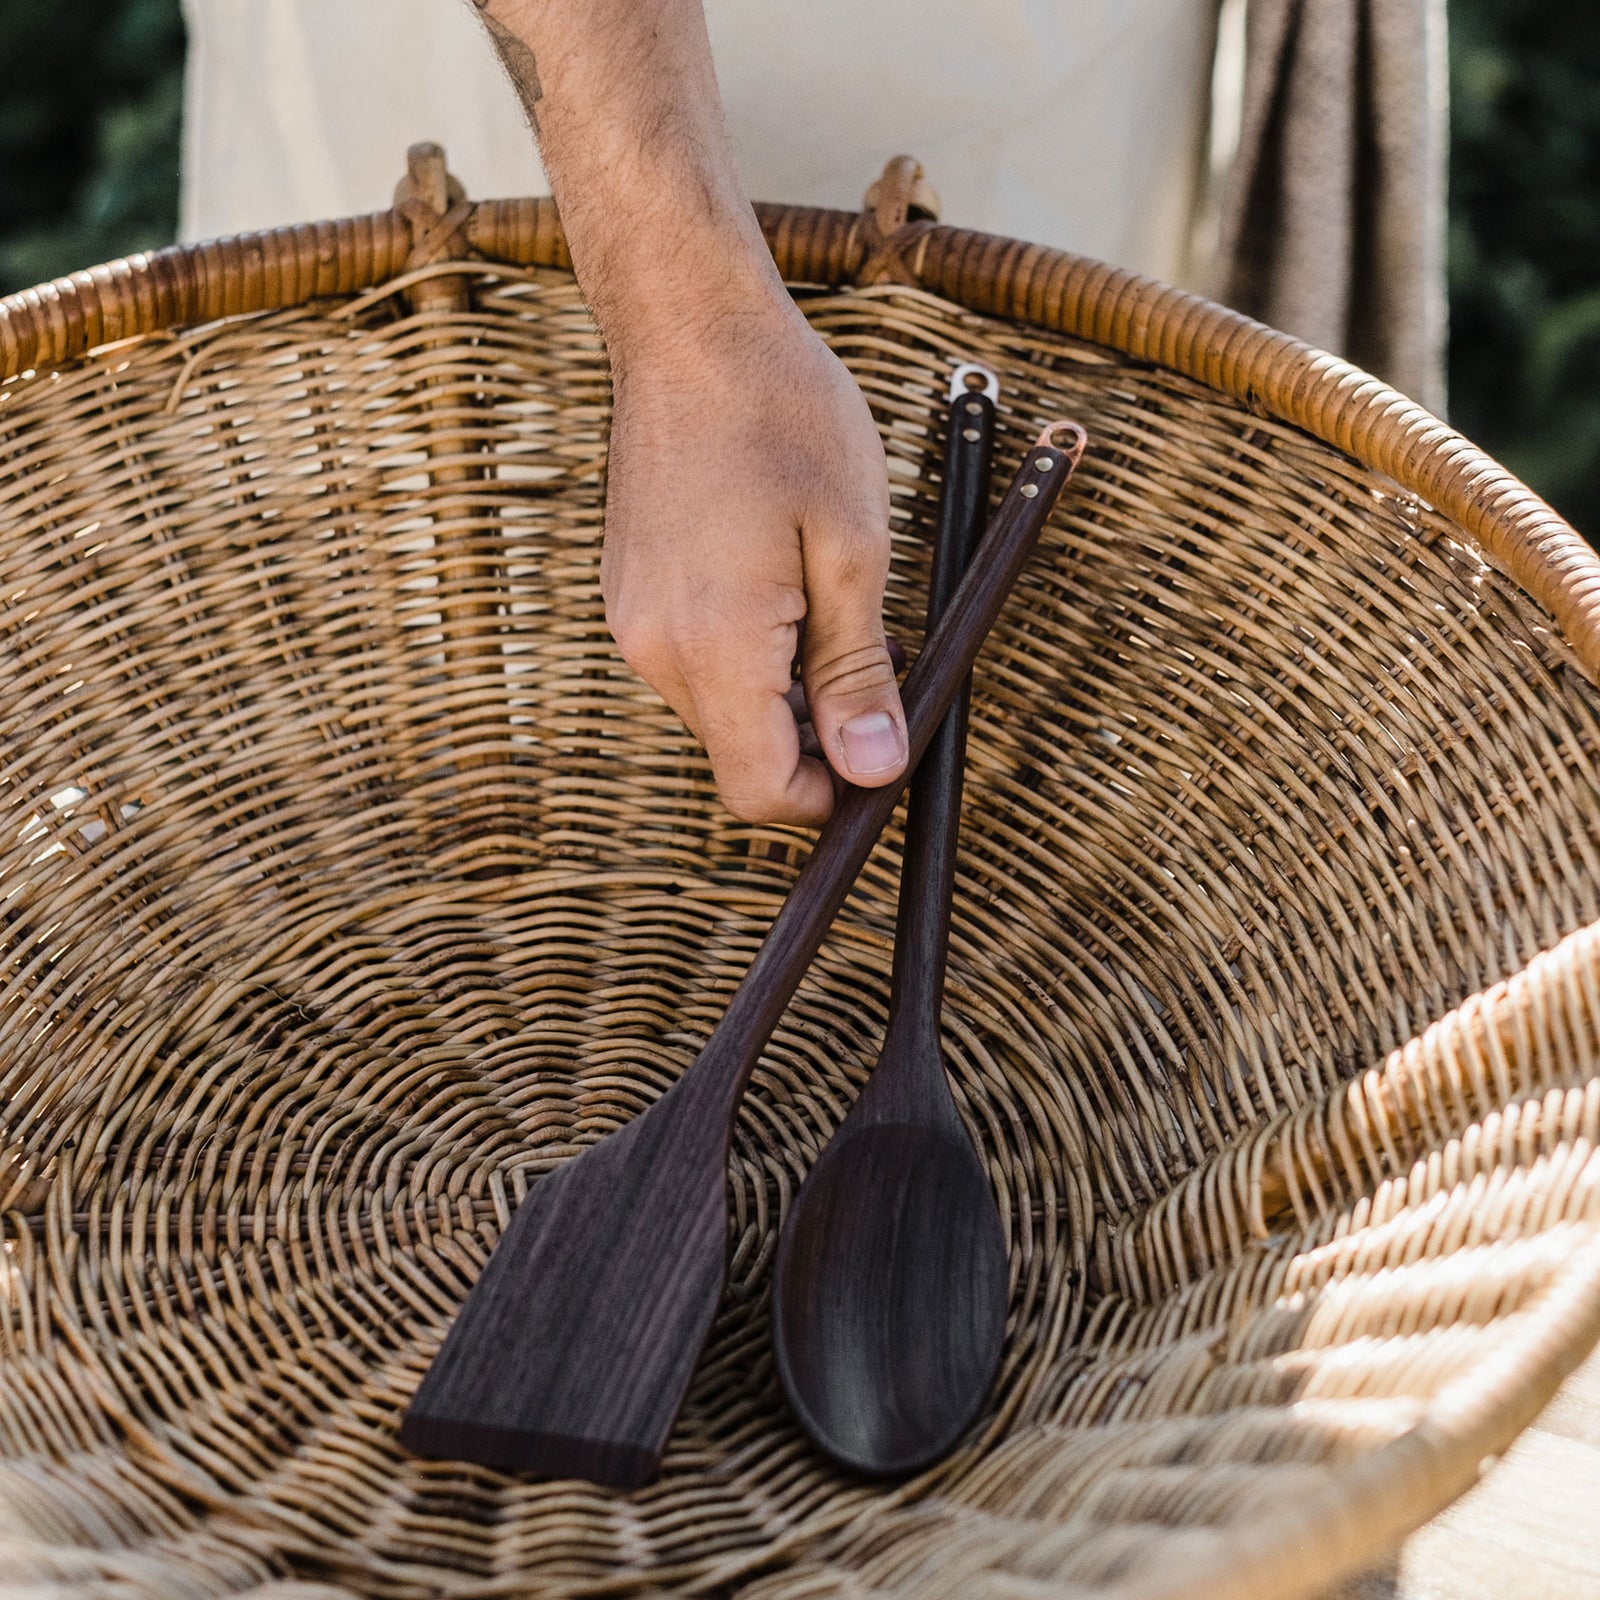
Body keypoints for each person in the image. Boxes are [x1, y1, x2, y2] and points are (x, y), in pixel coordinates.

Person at [178, 0, 1445, 825]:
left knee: (1006, 768)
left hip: (1041, 60)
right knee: (405, 765)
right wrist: (684, 311)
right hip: (587, 63)